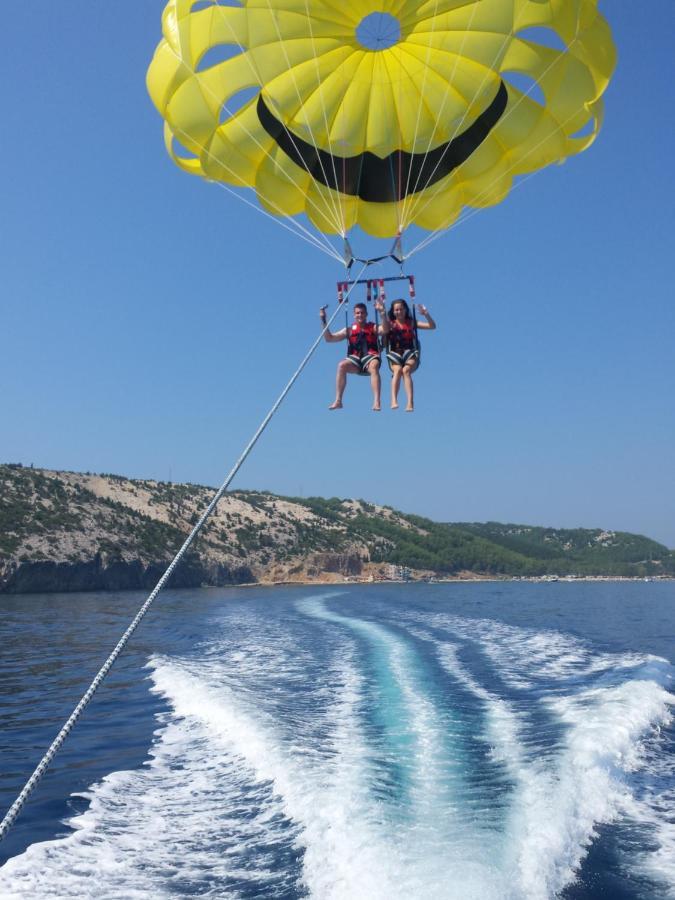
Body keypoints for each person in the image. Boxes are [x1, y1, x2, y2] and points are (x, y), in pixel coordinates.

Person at [320, 300, 389, 411]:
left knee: (374, 366)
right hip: (355, 360)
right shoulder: (349, 330)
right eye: (357, 313)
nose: (360, 315)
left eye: (362, 313)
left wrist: (382, 312)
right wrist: (323, 320)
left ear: (366, 314)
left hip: (371, 357)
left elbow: (385, 329)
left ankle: (377, 401)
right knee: (341, 365)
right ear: (354, 315)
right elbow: (329, 338)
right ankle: (338, 400)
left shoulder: (373, 327)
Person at [386, 299, 436, 411]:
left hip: (410, 353)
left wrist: (426, 314)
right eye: (396, 310)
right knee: (398, 370)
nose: (399, 312)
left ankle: (410, 402)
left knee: (406, 371)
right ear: (393, 312)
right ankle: (394, 399)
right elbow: (381, 331)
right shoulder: (390, 325)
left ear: (405, 310)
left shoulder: (411, 322)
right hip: (395, 353)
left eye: (401, 309)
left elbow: (432, 326)